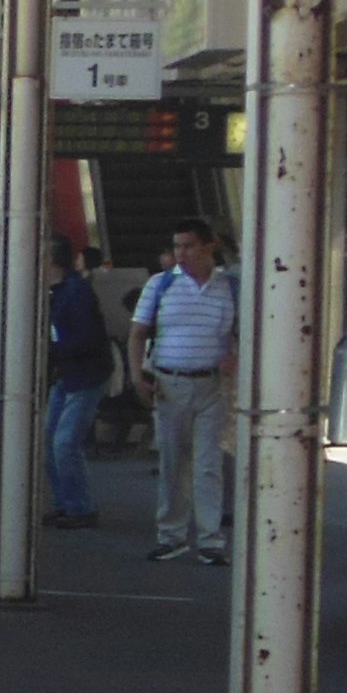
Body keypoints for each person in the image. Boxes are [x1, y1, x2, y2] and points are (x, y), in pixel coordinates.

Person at [128, 219, 239, 564]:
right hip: (169, 382)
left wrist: (236, 358)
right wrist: (137, 375)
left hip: (212, 384)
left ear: (210, 247)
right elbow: (138, 333)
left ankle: (210, 540)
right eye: (177, 246)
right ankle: (172, 534)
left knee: (208, 463)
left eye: (189, 246)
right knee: (173, 461)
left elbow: (245, 332)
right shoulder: (159, 285)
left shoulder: (231, 288)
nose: (181, 254)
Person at [43, 236, 109, 527]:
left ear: (51, 261)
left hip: (83, 374)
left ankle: (79, 506)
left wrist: (52, 351)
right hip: (72, 372)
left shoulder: (73, 293)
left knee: (64, 442)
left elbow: (86, 337)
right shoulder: (62, 291)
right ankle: (67, 503)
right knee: (52, 441)